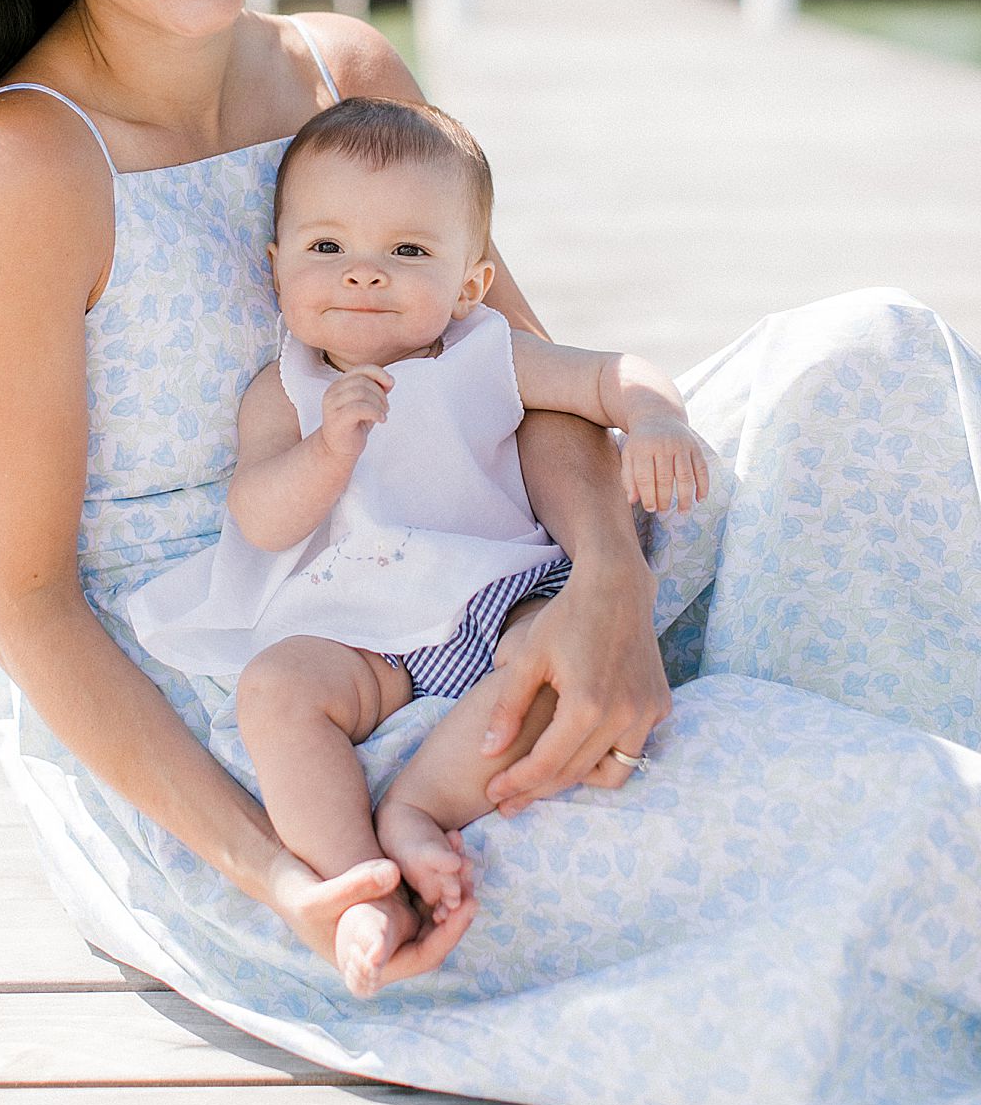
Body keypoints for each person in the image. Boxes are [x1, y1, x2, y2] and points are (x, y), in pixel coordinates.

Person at [0, 0, 981, 1105]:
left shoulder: (345, 74)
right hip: (283, 716)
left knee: (871, 356)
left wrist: (607, 587)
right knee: (888, 828)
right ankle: (766, 756)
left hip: (493, 555)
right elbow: (28, 605)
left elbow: (526, 377)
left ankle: (705, 699)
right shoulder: (27, 175)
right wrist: (296, 881)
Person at [129, 95, 709, 996]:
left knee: (553, 672)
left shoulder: (484, 353)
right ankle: (357, 884)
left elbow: (605, 375)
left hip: (493, 595)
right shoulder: (282, 391)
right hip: (357, 624)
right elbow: (260, 518)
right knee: (276, 693)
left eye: (407, 252)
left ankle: (417, 811)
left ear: (470, 283)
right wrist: (325, 452)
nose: (364, 275)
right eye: (327, 248)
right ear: (276, 266)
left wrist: (658, 414)